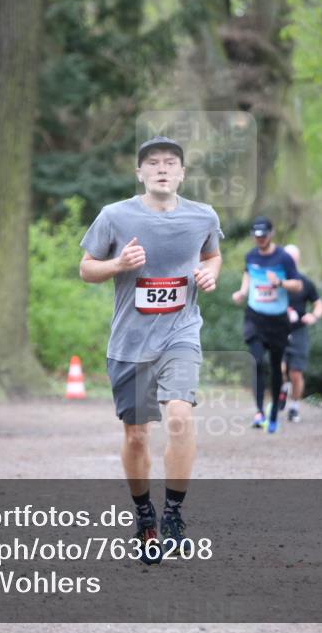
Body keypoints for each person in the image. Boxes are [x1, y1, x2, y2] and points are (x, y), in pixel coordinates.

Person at [79, 135, 223, 563]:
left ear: (182, 173)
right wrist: (118, 265)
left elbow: (212, 255)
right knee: (137, 436)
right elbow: (86, 269)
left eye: (171, 163)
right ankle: (144, 516)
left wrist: (208, 273)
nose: (162, 168)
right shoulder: (114, 216)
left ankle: (174, 516)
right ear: (140, 173)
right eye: (153, 163)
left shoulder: (202, 216)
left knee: (179, 416)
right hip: (130, 343)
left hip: (180, 334)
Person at [231, 217, 302, 434]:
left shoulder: (283, 258)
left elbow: (297, 285)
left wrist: (279, 283)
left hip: (278, 321)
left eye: (263, 236)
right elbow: (248, 273)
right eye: (256, 236)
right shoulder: (251, 256)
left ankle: (273, 415)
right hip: (255, 318)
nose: (260, 240)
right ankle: (259, 411)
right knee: (257, 361)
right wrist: (243, 291)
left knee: (276, 367)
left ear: (271, 234)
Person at [280, 244, 322, 422]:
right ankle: (283, 388)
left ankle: (294, 406)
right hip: (278, 331)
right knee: (279, 368)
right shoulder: (276, 282)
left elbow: (319, 304)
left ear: (297, 260)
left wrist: (313, 315)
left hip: (299, 332)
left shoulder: (305, 283)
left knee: (296, 373)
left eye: (293, 258)